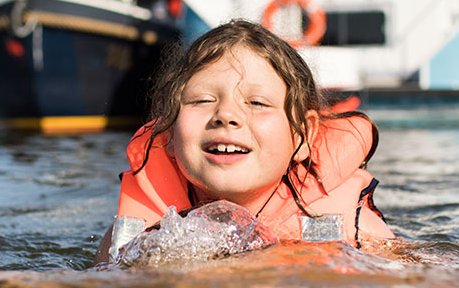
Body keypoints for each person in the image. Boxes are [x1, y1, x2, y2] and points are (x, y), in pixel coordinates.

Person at [97, 20, 393, 263]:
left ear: (303, 136)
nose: (226, 115)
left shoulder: (357, 234)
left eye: (257, 102)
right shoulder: (131, 240)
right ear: (170, 134)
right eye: (202, 100)